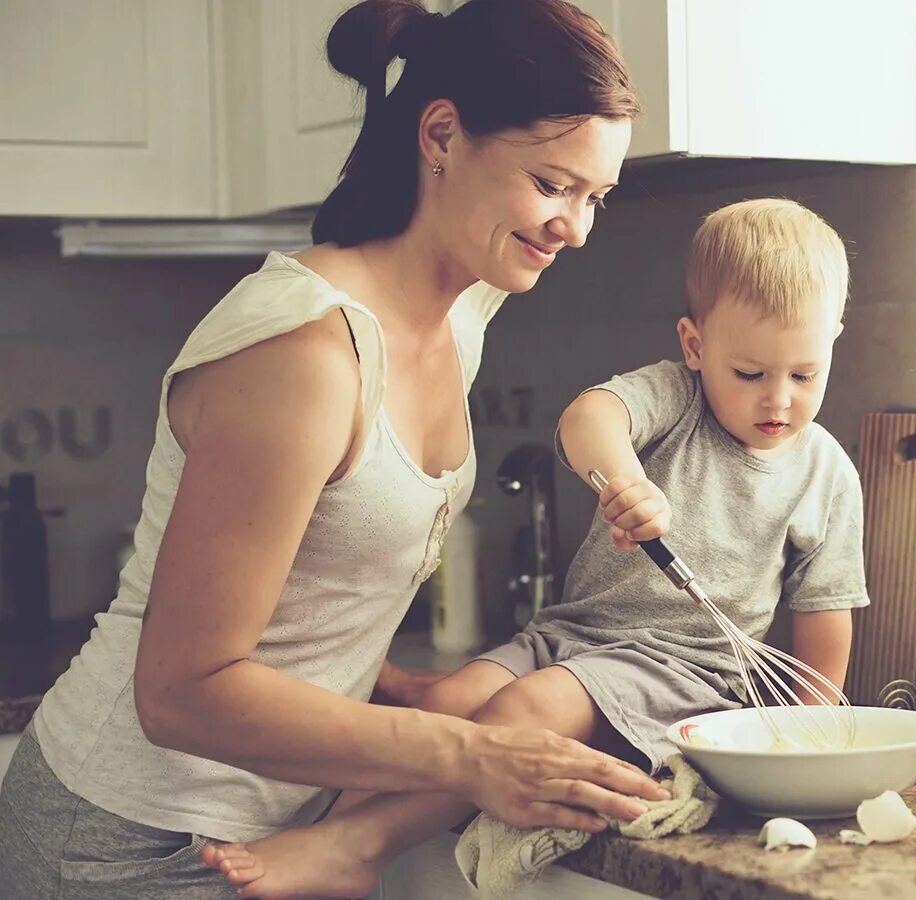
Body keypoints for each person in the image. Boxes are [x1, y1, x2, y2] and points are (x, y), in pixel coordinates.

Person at [0, 0, 669, 896]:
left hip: (274, 823)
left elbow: (309, 598)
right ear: (441, 134)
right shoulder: (304, 353)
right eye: (553, 185)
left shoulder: (466, 303)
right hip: (127, 836)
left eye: (597, 197)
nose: (577, 228)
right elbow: (180, 690)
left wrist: (397, 686)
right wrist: (466, 754)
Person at [204, 197, 870, 898]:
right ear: (696, 346)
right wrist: (625, 477)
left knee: (521, 717)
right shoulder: (676, 399)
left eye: (804, 374)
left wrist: (801, 756)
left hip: (682, 676)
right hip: (572, 635)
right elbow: (591, 417)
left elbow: (823, 648)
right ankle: (323, 834)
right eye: (750, 374)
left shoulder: (825, 476)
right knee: (452, 702)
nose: (780, 400)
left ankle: (358, 846)